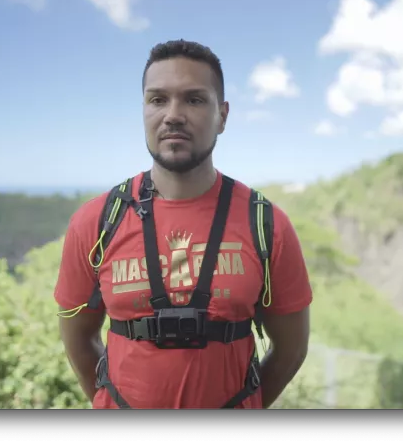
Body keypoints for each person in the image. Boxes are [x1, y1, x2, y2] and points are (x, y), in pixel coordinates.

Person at [53, 39, 312, 409]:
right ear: (143, 109)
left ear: (222, 115)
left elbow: (291, 348)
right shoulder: (96, 221)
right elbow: (78, 340)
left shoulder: (266, 223)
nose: (173, 114)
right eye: (158, 99)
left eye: (194, 99)